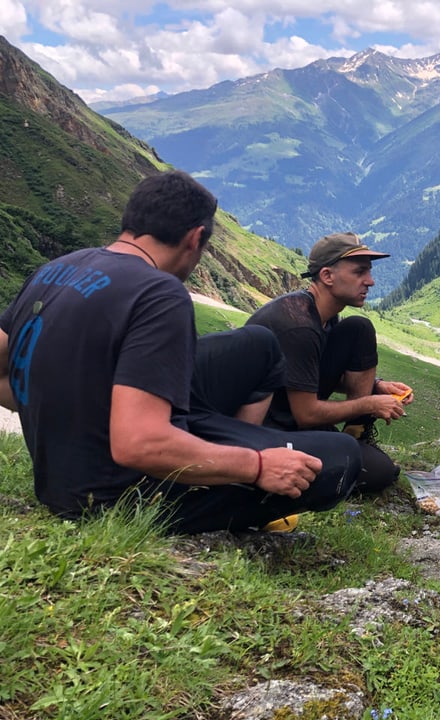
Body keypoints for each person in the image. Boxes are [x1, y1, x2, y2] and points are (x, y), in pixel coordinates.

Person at [0, 170, 362, 534]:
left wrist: (60, 407)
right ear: (195, 238)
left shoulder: (56, 269)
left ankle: (215, 442)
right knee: (339, 458)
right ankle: (225, 454)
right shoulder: (160, 292)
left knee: (259, 342)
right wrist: (258, 466)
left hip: (65, 476)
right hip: (117, 497)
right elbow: (138, 445)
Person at [246, 232, 412, 493]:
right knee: (379, 472)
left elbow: (309, 374)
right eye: (360, 272)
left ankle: (354, 433)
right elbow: (306, 414)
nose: (370, 281)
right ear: (327, 276)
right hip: (270, 429)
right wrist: (369, 402)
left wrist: (376, 386)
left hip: (294, 414)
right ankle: (337, 450)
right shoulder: (299, 326)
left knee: (359, 327)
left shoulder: (326, 315)